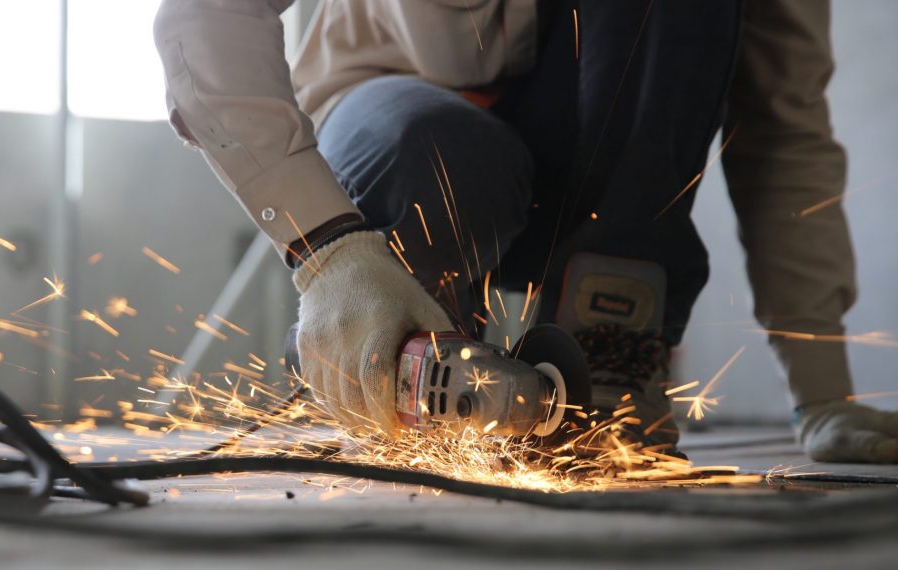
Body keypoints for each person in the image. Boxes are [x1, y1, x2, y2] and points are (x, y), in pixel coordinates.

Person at [153, 0, 898, 462]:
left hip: (601, 187)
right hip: (406, 133)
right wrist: (329, 254)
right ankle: (396, 354)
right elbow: (205, 17)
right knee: (432, 150)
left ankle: (609, 349)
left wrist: (822, 392)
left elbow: (782, 127)